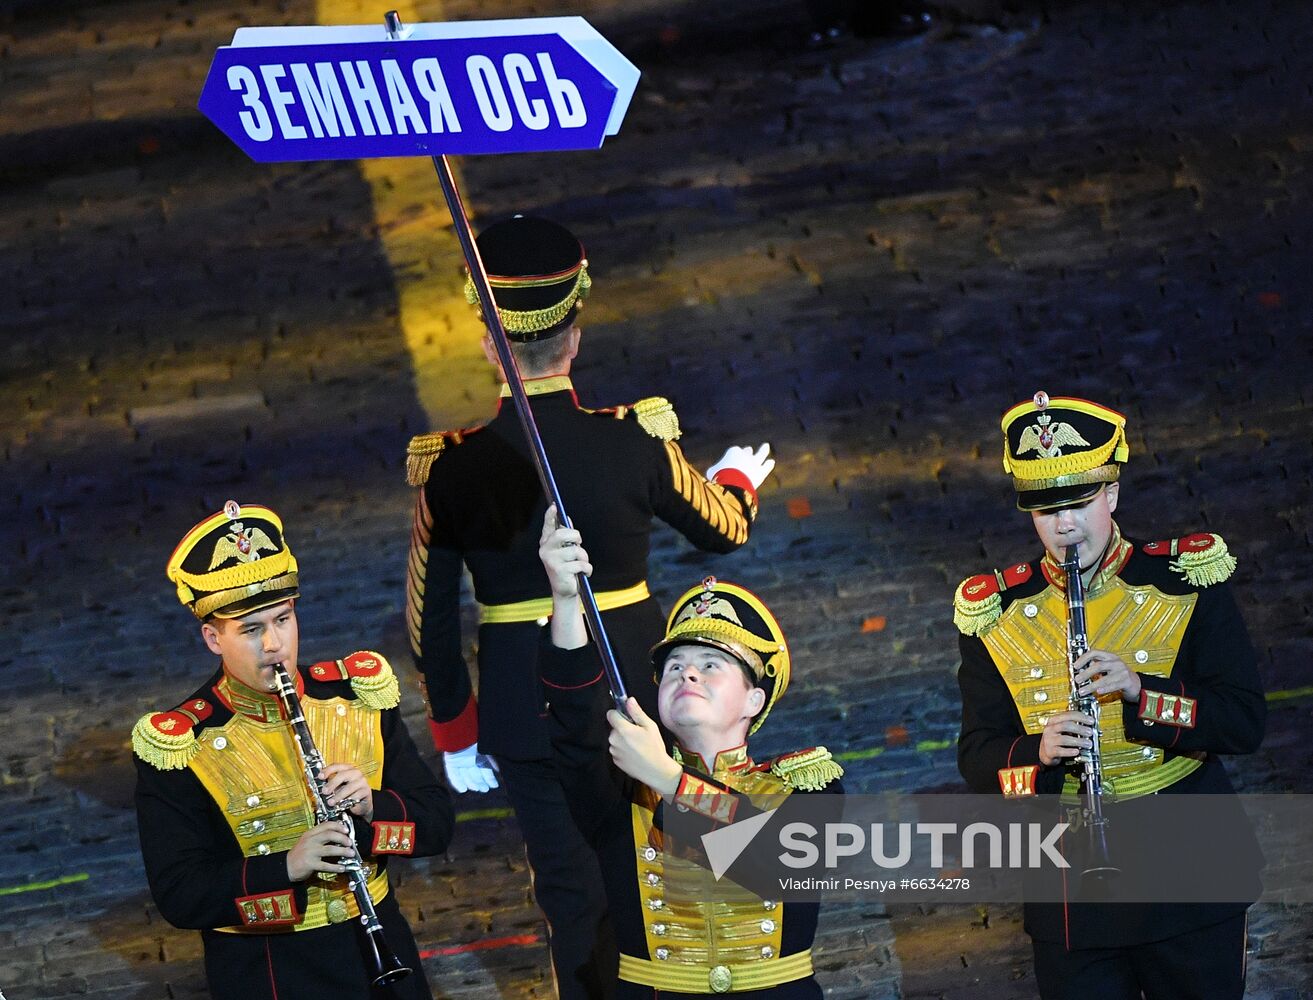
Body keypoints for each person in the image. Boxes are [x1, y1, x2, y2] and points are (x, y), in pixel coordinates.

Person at [403, 215, 775, 998]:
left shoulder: (452, 468)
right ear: (573, 336)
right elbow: (723, 528)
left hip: (520, 701)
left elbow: (429, 621)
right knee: (666, 871)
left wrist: (454, 728)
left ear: (487, 343)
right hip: (633, 687)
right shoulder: (631, 440)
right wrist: (737, 477)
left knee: (572, 898)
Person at [954, 392, 1266, 999]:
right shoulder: (997, 614)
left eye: (1079, 503)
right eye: (1046, 511)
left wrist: (1141, 693)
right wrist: (1037, 754)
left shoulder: (1183, 583)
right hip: (1072, 894)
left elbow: (1244, 723)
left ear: (1113, 494)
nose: (1064, 525)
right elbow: (976, 756)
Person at [133, 501, 453, 1000]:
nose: (274, 645)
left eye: (282, 620)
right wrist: (286, 867)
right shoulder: (180, 746)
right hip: (269, 972)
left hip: (382, 956)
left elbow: (436, 823)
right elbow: (179, 893)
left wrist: (373, 804)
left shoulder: (357, 699)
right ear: (212, 638)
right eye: (251, 629)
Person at [537, 506, 843, 998]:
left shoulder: (809, 786)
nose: (687, 673)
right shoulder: (620, 793)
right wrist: (566, 601)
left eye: (711, 663)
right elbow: (574, 723)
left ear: (754, 699)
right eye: (675, 665)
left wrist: (668, 780)